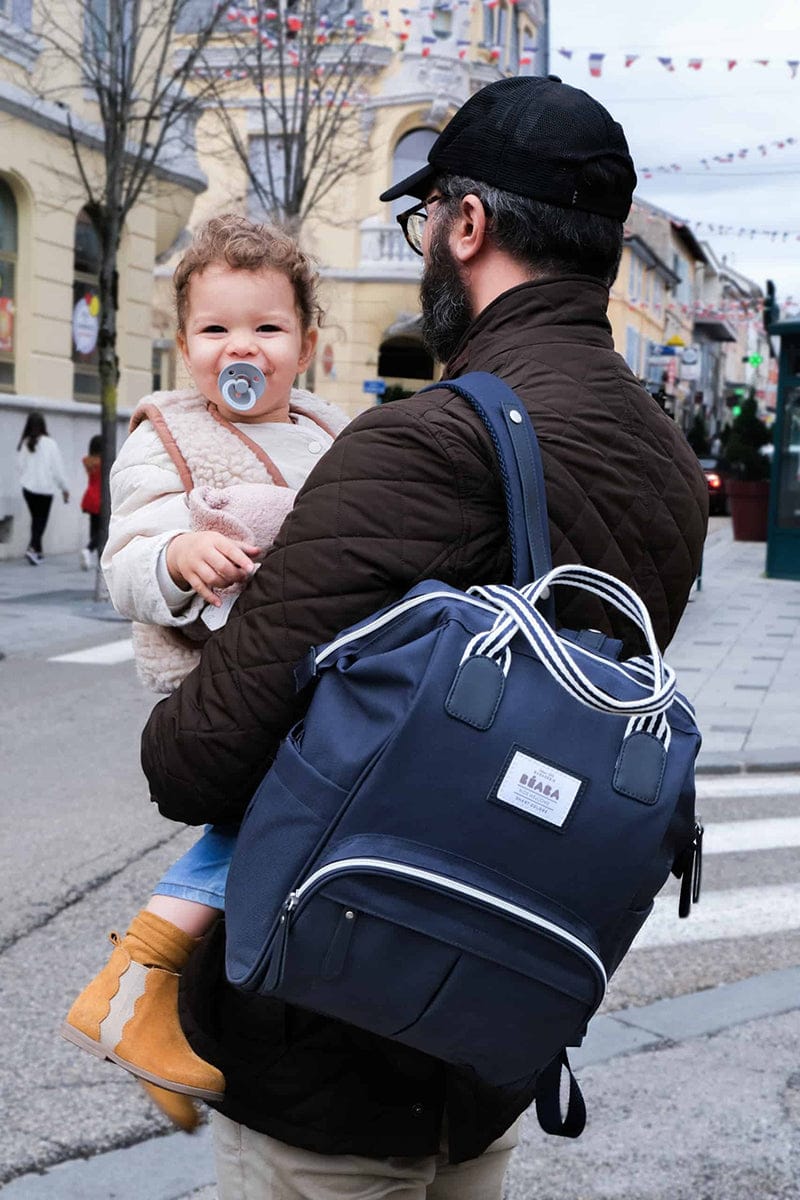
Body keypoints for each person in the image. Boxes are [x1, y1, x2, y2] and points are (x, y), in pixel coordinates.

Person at [140, 77, 708, 1198]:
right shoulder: (663, 463)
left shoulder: (426, 444)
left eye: (426, 224)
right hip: (490, 1038)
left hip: (325, 1052)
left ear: (467, 223)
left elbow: (194, 759)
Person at [61, 214, 348, 1133]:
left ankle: (168, 1016)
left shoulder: (332, 436)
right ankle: (134, 977)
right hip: (218, 682)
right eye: (216, 328)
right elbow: (125, 562)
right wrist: (179, 552)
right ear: (184, 346)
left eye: (266, 328)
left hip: (314, 672)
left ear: (307, 344)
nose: (241, 347)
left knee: (289, 839)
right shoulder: (168, 436)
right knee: (286, 814)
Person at [16, 413, 69, 564]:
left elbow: (19, 466)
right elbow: (58, 469)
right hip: (45, 490)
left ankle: (37, 552)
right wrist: (64, 488)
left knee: (36, 519)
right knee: (41, 521)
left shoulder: (25, 443)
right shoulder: (50, 443)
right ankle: (33, 548)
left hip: (28, 489)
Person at [79, 434, 102, 570]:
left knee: (93, 528)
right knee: (104, 529)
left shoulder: (88, 461)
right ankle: (89, 550)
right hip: (101, 498)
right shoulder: (104, 463)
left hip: (89, 497)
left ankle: (91, 553)